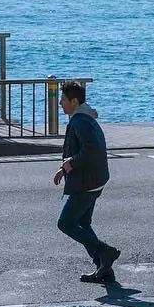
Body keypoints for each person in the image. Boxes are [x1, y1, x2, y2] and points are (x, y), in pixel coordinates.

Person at [53, 81, 121, 283]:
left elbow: (91, 150)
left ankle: (104, 252)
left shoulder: (80, 121)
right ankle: (104, 268)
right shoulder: (83, 118)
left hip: (87, 182)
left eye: (63, 99)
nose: (60, 103)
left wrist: (70, 163)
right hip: (94, 179)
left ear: (74, 101)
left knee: (65, 223)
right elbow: (82, 151)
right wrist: (64, 168)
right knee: (82, 222)